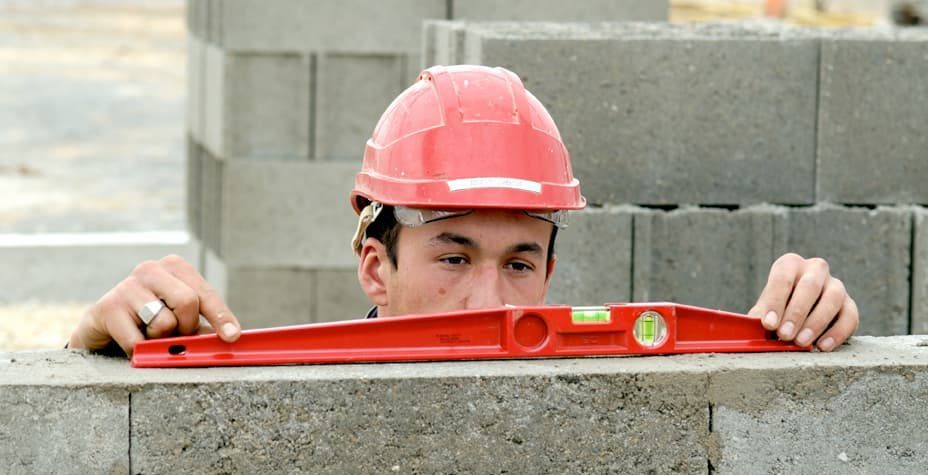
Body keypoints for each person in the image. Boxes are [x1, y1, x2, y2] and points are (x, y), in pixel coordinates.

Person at [67, 65, 859, 357]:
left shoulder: (603, 385)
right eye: (453, 256)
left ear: (549, 272)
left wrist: (793, 328)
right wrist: (90, 342)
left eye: (518, 263)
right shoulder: (281, 381)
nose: (490, 302)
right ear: (376, 264)